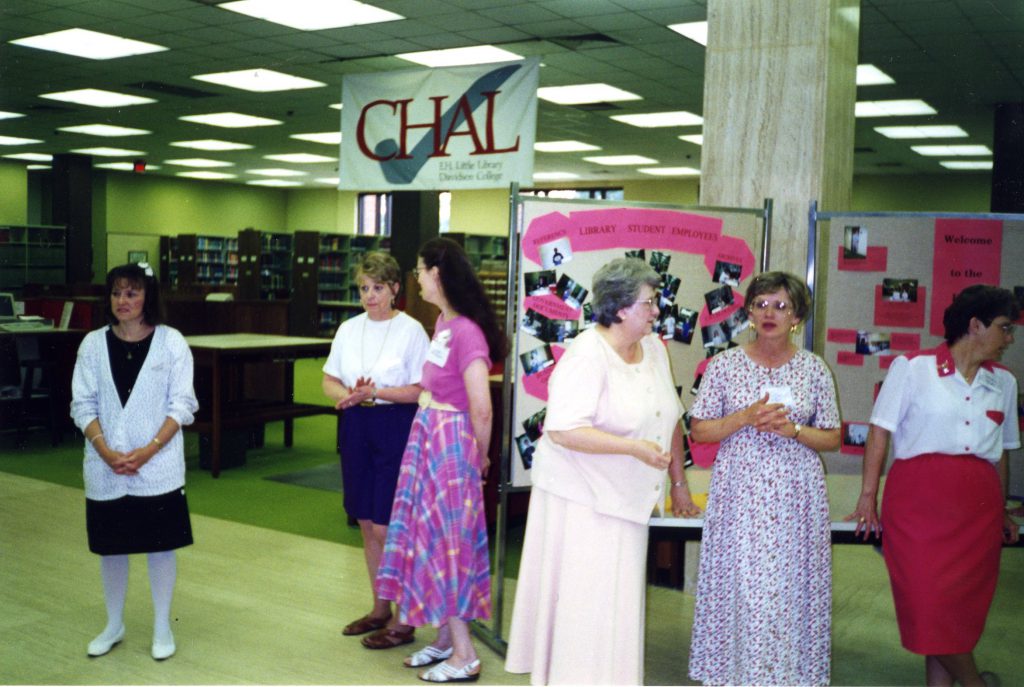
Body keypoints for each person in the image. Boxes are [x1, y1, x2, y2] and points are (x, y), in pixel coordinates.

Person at [505, 257, 701, 685]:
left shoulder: (653, 349)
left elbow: (669, 415)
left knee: (617, 607)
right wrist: (632, 448)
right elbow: (563, 429)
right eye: (649, 302)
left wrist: (679, 486)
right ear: (620, 307)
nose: (656, 310)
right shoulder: (586, 355)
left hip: (625, 500)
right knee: (586, 609)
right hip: (581, 501)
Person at [848, 284, 1020, 687]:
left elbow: (1002, 451)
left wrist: (1003, 509)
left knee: (953, 618)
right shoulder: (913, 367)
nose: (1009, 338)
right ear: (975, 325)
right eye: (1004, 328)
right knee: (927, 610)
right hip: (918, 507)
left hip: (977, 511)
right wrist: (867, 498)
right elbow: (879, 434)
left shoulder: (1005, 383)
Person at [687, 271, 840, 686]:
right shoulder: (723, 365)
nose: (769, 313)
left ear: (797, 317)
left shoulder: (814, 369)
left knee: (787, 591)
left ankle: (787, 676)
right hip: (741, 494)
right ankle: (737, 675)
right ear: (750, 312)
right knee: (744, 590)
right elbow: (699, 431)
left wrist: (793, 431)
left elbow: (832, 436)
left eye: (781, 305)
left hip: (795, 497)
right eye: (761, 304)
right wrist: (746, 417)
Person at [374, 237, 507, 683]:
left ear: (437, 273)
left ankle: (465, 653)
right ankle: (447, 638)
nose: (416, 277)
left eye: (419, 269)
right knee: (430, 539)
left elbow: (481, 406)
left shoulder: (466, 330)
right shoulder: (442, 323)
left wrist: (481, 457)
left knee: (449, 545)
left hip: (451, 444)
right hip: (430, 436)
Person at [70, 263, 198, 661]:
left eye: (132, 293)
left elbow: (183, 404)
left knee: (160, 547)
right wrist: (106, 450)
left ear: (148, 297)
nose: (122, 301)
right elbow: (82, 403)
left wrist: (149, 450)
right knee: (112, 547)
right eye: (116, 293)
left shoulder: (171, 342)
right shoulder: (92, 344)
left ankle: (162, 627)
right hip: (105, 466)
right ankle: (114, 624)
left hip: (156, 468)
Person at [321, 252, 429, 648]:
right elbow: (329, 379)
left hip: (394, 424)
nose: (369, 296)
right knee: (366, 521)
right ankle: (380, 608)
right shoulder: (349, 329)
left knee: (389, 524)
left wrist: (376, 392)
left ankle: (405, 618)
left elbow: (420, 389)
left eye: (378, 288)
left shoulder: (412, 330)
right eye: (364, 288)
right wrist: (346, 396)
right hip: (356, 424)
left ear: (395, 289)